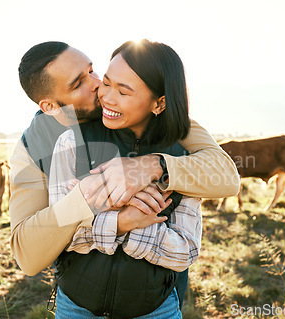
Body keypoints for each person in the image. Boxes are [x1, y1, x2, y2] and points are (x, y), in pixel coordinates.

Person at [9, 41, 240, 309]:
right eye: (78, 84)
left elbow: (227, 175)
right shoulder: (33, 146)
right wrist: (98, 201)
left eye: (93, 70)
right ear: (50, 106)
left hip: (154, 302)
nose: (98, 85)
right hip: (79, 300)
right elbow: (28, 255)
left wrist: (151, 166)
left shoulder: (152, 117)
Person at [48, 39, 204, 318]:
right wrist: (126, 219)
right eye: (107, 83)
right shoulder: (72, 141)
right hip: (76, 306)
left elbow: (185, 252)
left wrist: (98, 211)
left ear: (160, 103)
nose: (107, 97)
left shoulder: (182, 158)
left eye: (124, 91)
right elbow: (58, 234)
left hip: (155, 310)